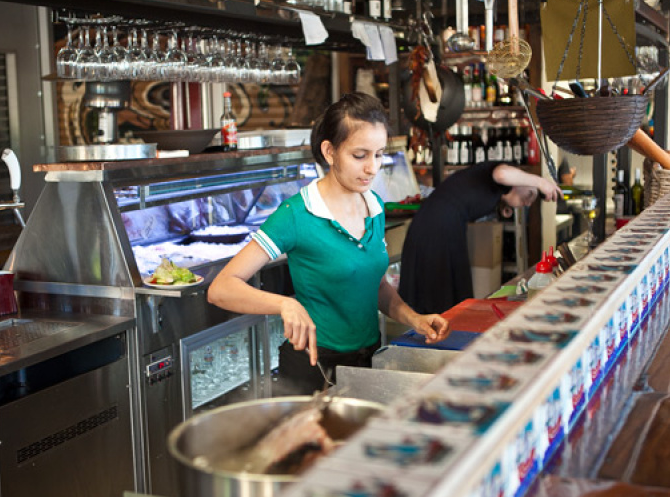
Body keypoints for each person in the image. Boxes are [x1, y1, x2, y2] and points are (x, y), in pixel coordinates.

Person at [208, 93, 450, 395]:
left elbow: (374, 286)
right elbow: (221, 288)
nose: (372, 168)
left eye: (378, 154)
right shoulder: (297, 214)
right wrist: (285, 304)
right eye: (360, 156)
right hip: (313, 368)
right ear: (330, 151)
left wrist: (415, 319)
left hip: (366, 362)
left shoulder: (373, 204)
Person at [398, 162, 563, 315]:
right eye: (530, 194)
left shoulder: (497, 192)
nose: (528, 203)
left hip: (443, 227)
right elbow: (502, 174)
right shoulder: (501, 170)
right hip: (435, 228)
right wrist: (541, 182)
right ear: (520, 180)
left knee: (451, 301)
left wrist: (503, 206)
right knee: (441, 300)